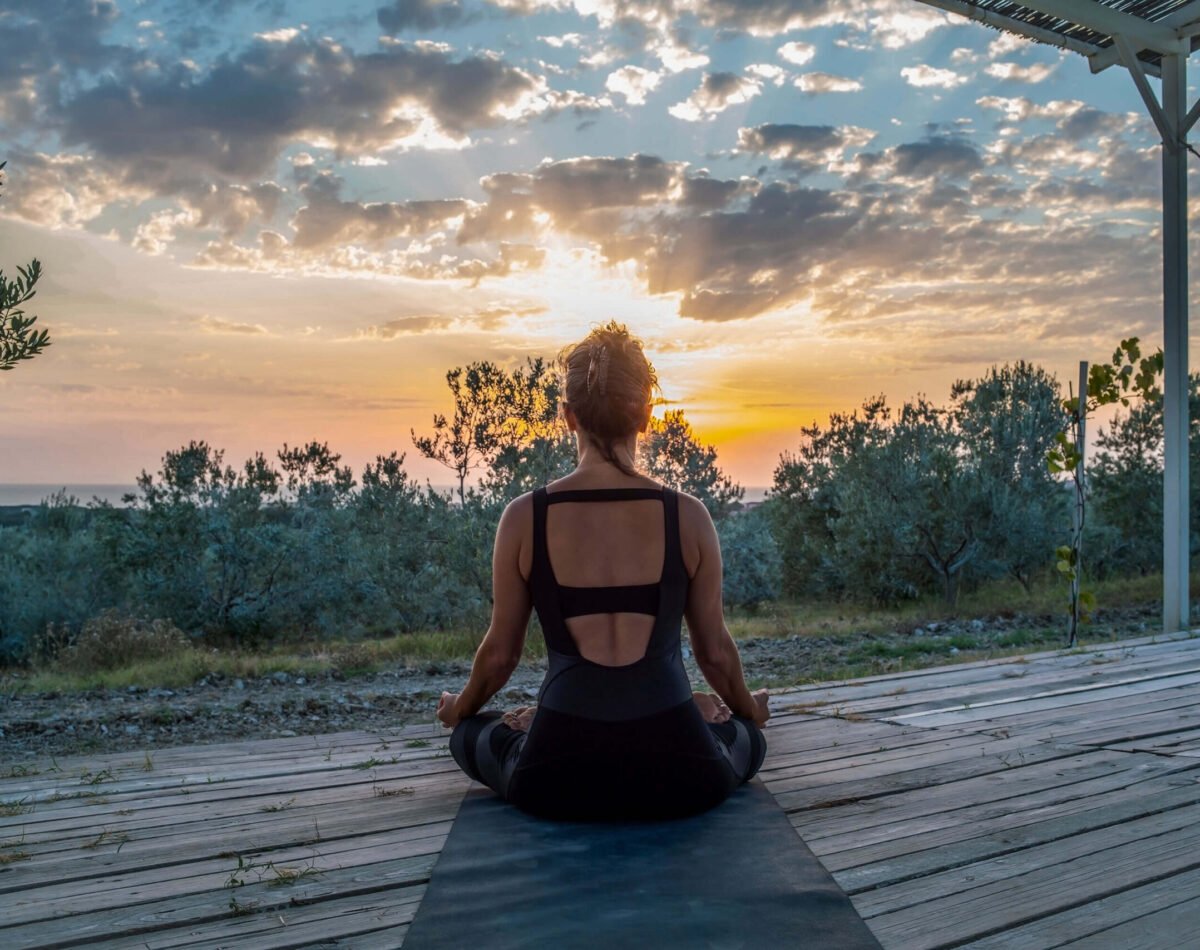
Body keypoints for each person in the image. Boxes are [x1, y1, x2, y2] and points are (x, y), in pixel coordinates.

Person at [437, 321, 769, 820]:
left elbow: (500, 656)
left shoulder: (525, 516)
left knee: (470, 735)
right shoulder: (689, 516)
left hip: (555, 776)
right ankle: (695, 715)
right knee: (745, 737)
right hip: (682, 775)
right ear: (646, 416)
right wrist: (748, 709)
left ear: (569, 417)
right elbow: (715, 654)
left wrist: (458, 708)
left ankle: (545, 720)